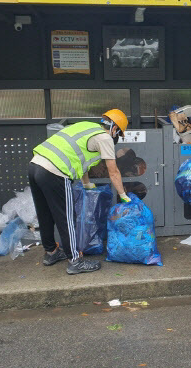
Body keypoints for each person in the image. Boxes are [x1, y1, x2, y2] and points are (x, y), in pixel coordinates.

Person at [29, 109, 131, 275]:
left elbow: (79, 158)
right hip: (55, 171)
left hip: (35, 165)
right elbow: (113, 171)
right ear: (115, 129)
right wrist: (123, 195)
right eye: (119, 133)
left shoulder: (86, 126)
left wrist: (87, 184)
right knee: (67, 218)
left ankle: (51, 253)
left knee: (45, 213)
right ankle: (75, 261)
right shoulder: (105, 138)